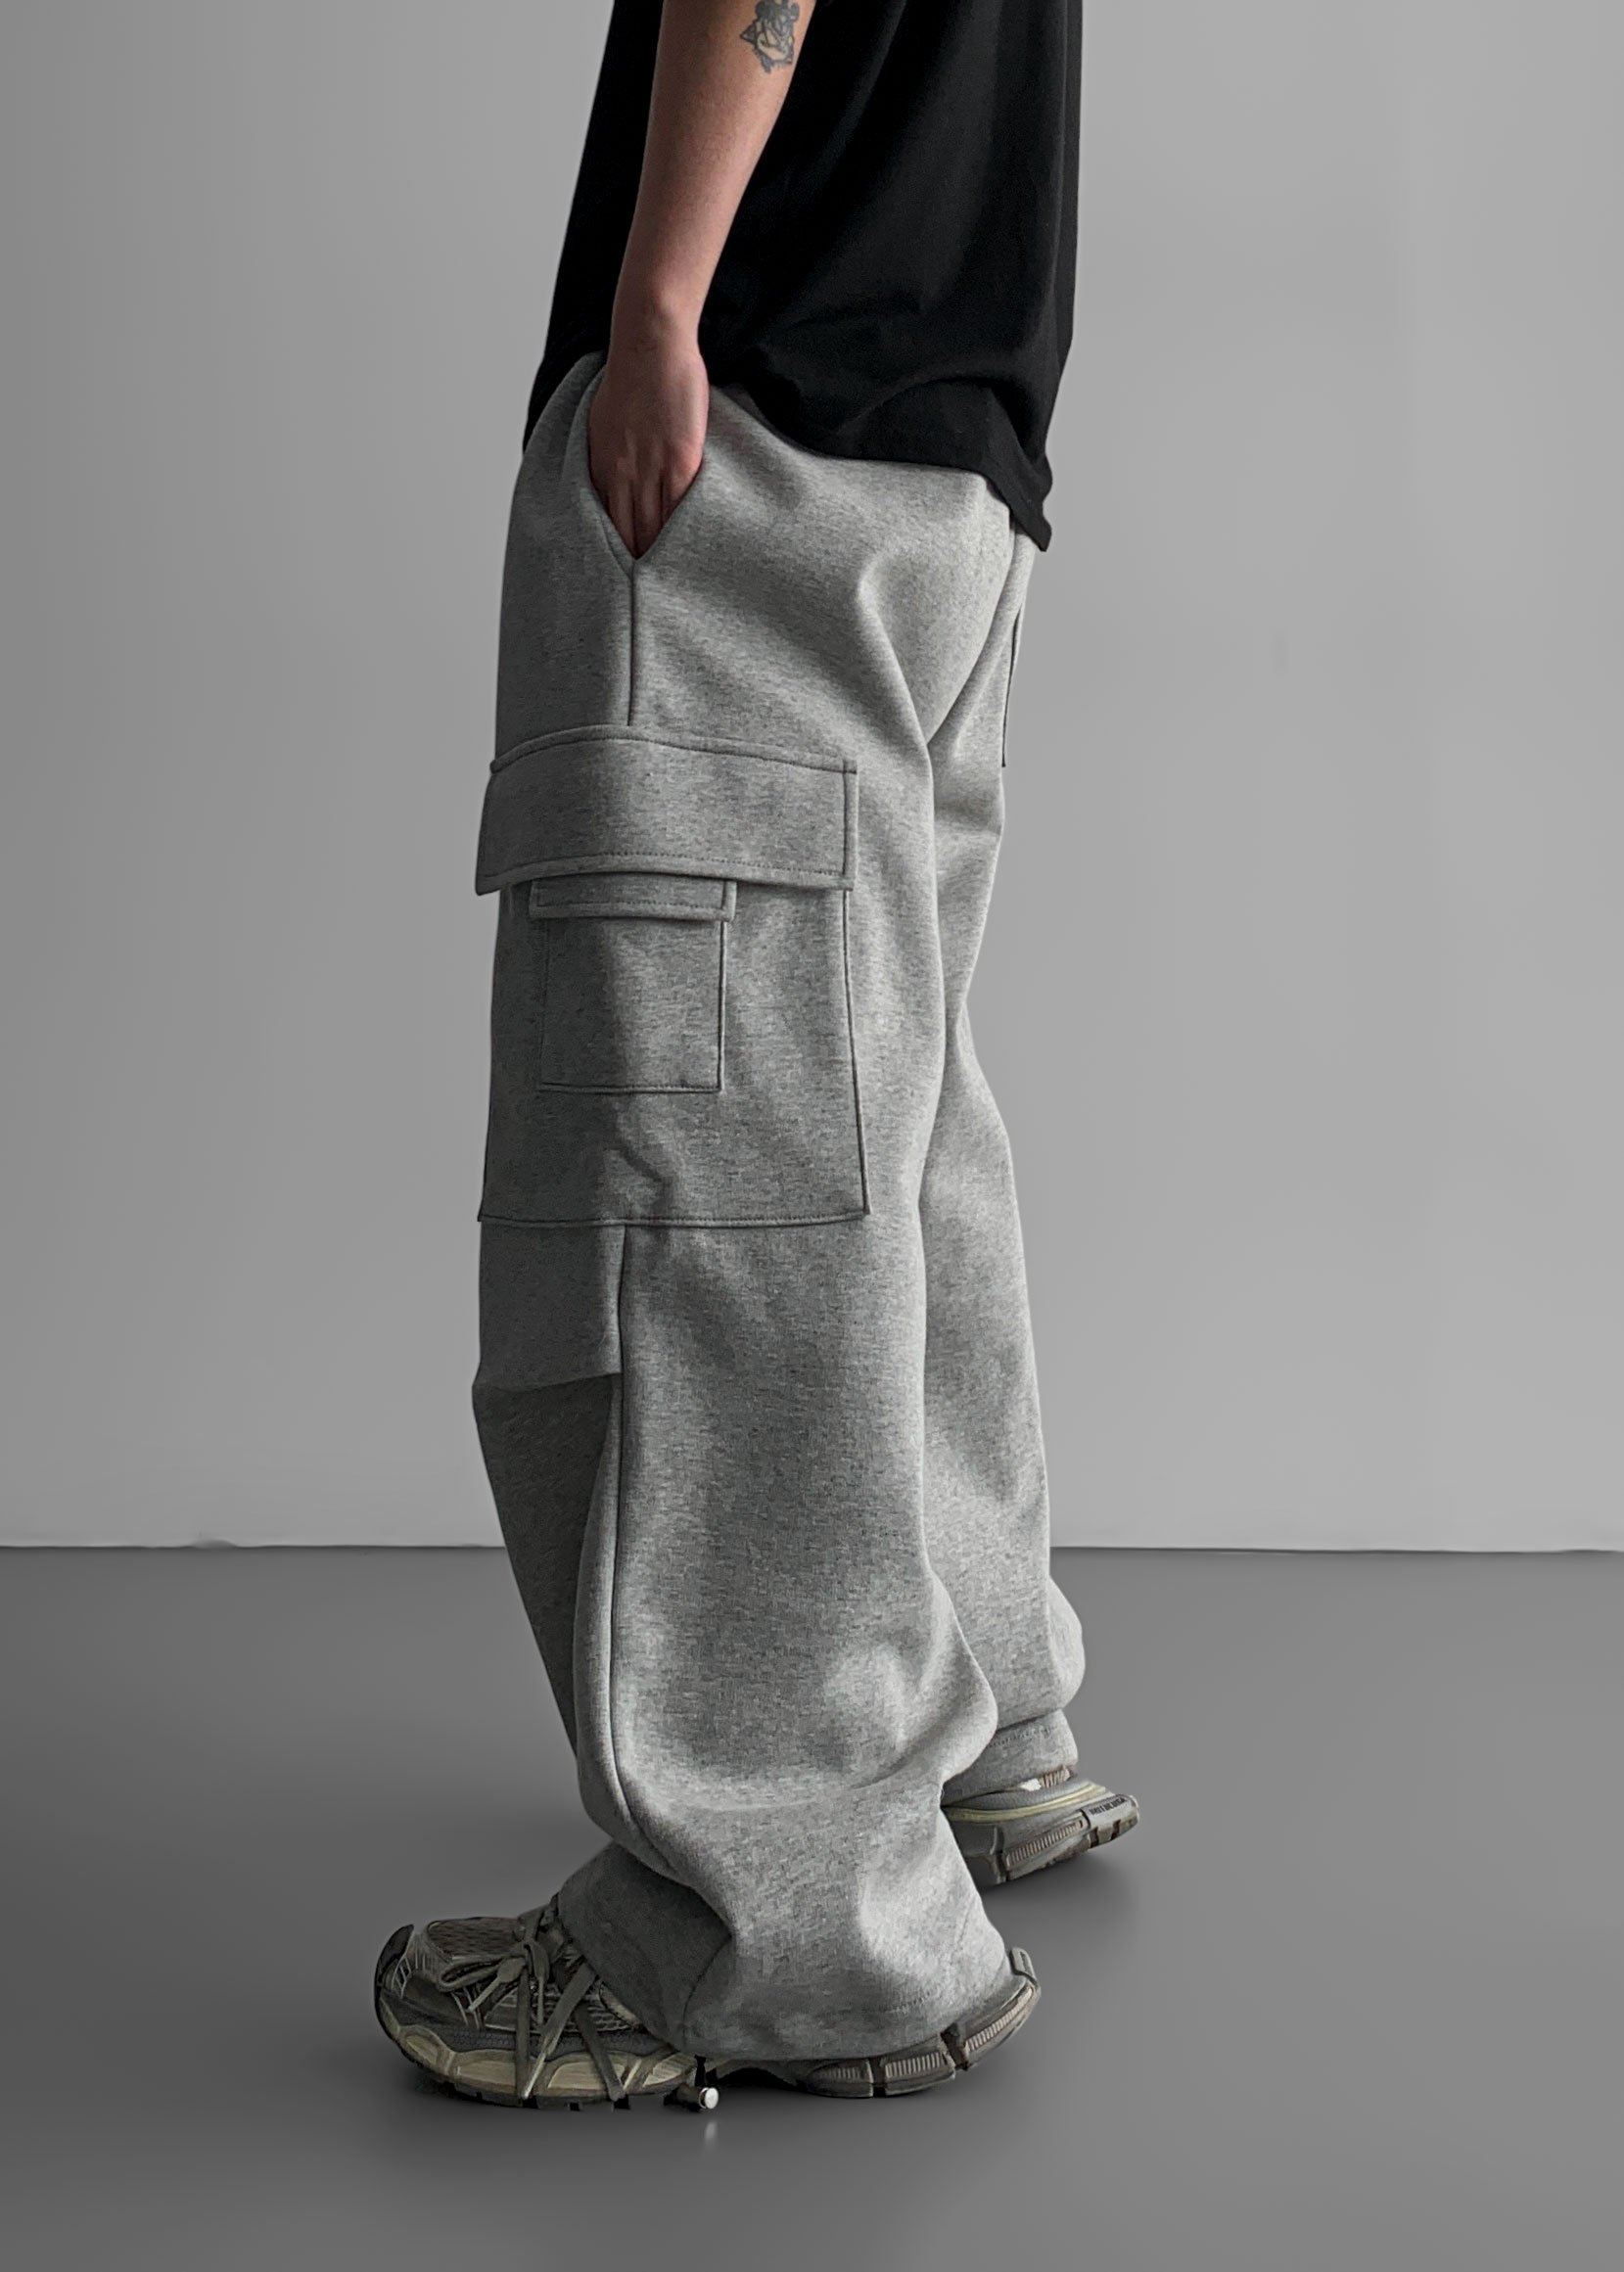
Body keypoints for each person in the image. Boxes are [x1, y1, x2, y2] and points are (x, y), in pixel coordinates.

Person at [373, 0, 1137, 2112]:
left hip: (752, 441)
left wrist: (655, 311)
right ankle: (980, 1724)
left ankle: (791, 1925)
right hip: (943, 470)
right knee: (884, 1124)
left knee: (696, 1198)